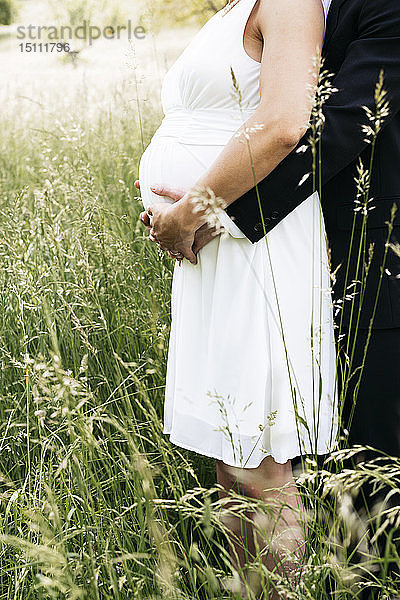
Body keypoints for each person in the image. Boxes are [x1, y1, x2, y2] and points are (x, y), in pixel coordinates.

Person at [138, 0, 400, 594]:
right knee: (233, 456)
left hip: (296, 246)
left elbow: (316, 123)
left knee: (287, 465)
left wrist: (204, 212)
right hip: (222, 249)